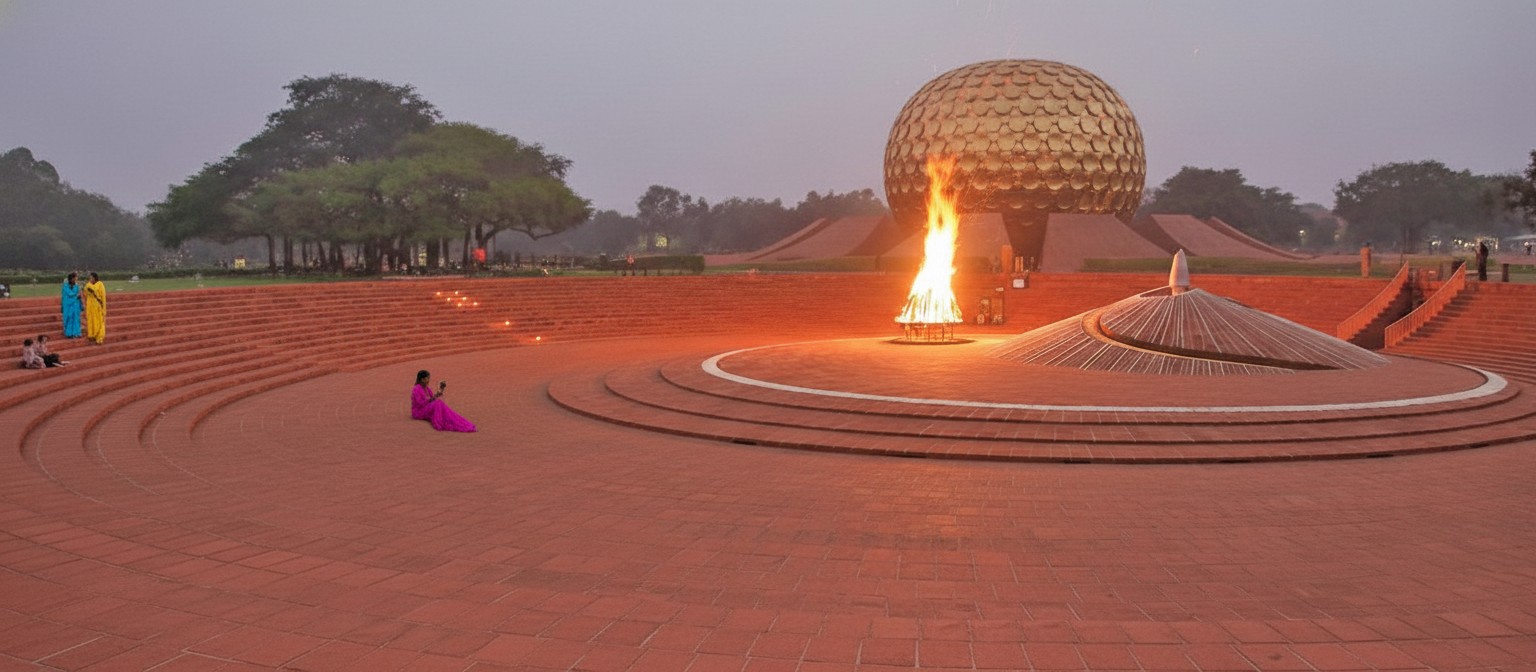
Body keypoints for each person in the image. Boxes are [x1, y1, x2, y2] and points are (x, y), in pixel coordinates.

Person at [411, 370, 477, 432]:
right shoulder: (416, 389)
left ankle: (448, 419)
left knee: (439, 403)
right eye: (427, 378)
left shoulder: (426, 388)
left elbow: (432, 398)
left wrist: (440, 391)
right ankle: (440, 421)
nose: (429, 380)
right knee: (438, 403)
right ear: (422, 379)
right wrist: (433, 398)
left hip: (425, 408)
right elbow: (421, 403)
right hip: (418, 411)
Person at [83, 272, 106, 344]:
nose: (90, 279)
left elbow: (102, 296)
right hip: (90, 307)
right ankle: (92, 335)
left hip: (97, 306)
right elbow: (85, 294)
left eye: (91, 278)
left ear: (95, 278)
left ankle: (99, 337)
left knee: (98, 321)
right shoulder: (88, 285)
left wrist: (103, 308)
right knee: (91, 320)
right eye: (89, 278)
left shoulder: (100, 284)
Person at [60, 272, 83, 339]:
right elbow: (69, 295)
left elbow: (78, 295)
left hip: (75, 307)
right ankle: (69, 333)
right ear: (72, 278)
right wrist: (76, 296)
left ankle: (76, 333)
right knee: (69, 319)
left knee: (76, 319)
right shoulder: (65, 287)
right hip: (68, 307)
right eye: (75, 278)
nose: (76, 279)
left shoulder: (76, 286)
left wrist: (79, 298)